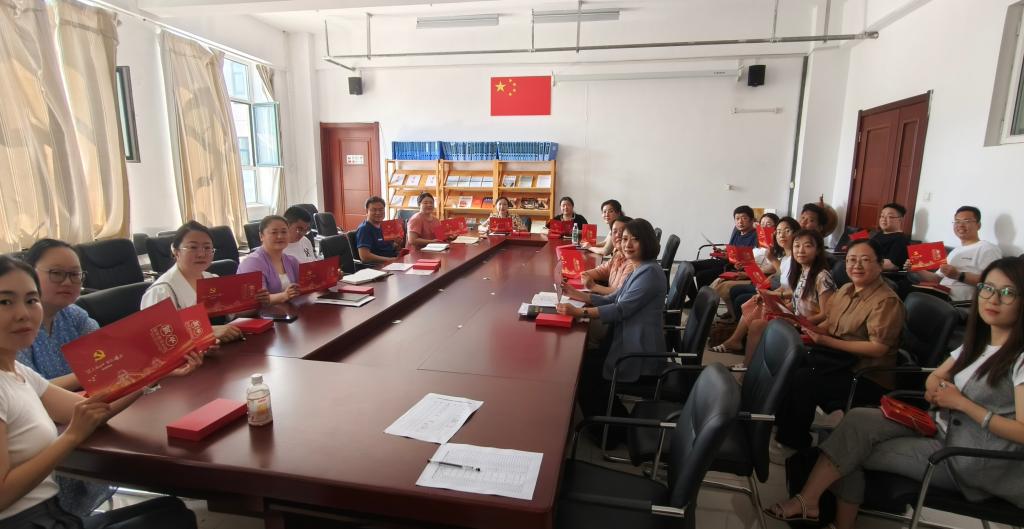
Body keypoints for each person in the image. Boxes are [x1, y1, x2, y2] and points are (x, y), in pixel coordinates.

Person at [766, 257, 1024, 527]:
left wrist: (961, 403)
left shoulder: (1019, 358)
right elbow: (936, 375)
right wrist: (936, 388)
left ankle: (819, 509)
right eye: (987, 288)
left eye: (1007, 292)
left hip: (968, 458)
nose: (993, 299)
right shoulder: (980, 343)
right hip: (938, 426)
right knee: (855, 421)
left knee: (851, 448)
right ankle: (812, 504)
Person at [0, 255, 200, 528]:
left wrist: (155, 373)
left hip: (52, 513)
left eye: (31, 300)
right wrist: (71, 436)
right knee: (173, 519)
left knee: (171, 508)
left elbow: (93, 410)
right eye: (5, 302)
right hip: (25, 522)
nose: (23, 313)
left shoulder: (18, 372)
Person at [774, 239, 905, 454]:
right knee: (790, 361)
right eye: (852, 260)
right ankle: (782, 424)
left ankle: (793, 441)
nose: (857, 266)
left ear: (880, 265)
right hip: (837, 359)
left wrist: (826, 341)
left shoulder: (886, 302)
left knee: (803, 380)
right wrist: (810, 330)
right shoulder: (845, 289)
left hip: (865, 374)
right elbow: (830, 322)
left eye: (865, 260)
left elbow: (878, 348)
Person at [557, 219, 667, 439]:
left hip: (638, 352)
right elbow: (615, 297)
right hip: (626, 340)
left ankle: (610, 433)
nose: (627, 244)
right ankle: (610, 421)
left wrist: (579, 312)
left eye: (635, 240)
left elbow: (620, 309)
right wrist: (579, 295)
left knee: (586, 371)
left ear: (648, 242)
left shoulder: (649, 273)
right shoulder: (640, 267)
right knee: (586, 363)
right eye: (625, 239)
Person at [712, 222, 816, 357]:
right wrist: (767, 292)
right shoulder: (786, 258)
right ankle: (737, 340)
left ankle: (739, 341)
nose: (782, 235)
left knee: (757, 304)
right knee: (754, 300)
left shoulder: (800, 261)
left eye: (787, 231)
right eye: (778, 232)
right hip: (781, 294)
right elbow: (783, 280)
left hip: (793, 304)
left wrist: (771, 293)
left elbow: (798, 292)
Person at [737, 229, 836, 367]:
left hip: (811, 328)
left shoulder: (822, 276)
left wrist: (798, 322)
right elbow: (797, 303)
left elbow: (826, 315)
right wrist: (773, 303)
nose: (800, 250)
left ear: (818, 250)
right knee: (759, 320)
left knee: (758, 326)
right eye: (797, 246)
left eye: (807, 246)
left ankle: (748, 367)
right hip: (799, 321)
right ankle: (750, 366)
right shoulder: (803, 271)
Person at [140, 222, 243, 344]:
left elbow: (232, 315)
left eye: (207, 248)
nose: (201, 254)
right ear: (175, 251)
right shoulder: (161, 291)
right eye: (193, 247)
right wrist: (208, 331)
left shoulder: (212, 279)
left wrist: (257, 300)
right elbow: (157, 340)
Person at [913, 206, 1003, 302]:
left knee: (914, 300)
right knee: (908, 291)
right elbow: (937, 279)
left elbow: (993, 283)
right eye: (957, 221)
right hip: (939, 295)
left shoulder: (987, 248)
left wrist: (959, 275)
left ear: (978, 225)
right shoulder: (955, 251)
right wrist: (917, 269)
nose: (960, 225)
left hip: (959, 303)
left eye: (967, 221)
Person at [712, 213, 780, 321]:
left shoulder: (777, 245)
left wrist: (747, 273)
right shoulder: (759, 242)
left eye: (768, 224)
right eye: (762, 224)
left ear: (776, 228)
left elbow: (773, 269)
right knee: (718, 281)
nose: (764, 227)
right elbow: (750, 260)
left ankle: (734, 319)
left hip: (761, 278)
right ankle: (732, 313)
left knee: (724, 286)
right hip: (749, 273)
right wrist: (741, 264)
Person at [687, 205, 759, 303]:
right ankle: (694, 299)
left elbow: (752, 258)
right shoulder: (737, 232)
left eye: (744, 218)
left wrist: (729, 257)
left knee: (702, 276)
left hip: (733, 267)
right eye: (737, 219)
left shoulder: (756, 236)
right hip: (724, 261)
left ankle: (701, 302)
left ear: (752, 220)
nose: (740, 222)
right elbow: (731, 248)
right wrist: (722, 251)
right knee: (688, 267)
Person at [238, 215, 301, 304]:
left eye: (284, 232)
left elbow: (303, 287)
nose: (280, 236)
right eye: (274, 232)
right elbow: (257, 300)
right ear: (261, 236)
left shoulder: (292, 260)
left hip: (288, 309)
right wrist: (284, 295)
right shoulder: (252, 262)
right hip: (262, 312)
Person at [580, 216, 635, 296]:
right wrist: (585, 275)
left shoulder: (632, 262)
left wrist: (593, 286)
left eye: (622, 231)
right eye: (614, 231)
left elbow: (618, 294)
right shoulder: (618, 254)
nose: (618, 235)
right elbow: (602, 271)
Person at [355, 196, 404, 264]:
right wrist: (391, 260)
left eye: (381, 210)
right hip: (379, 266)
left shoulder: (385, 226)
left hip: (393, 261)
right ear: (367, 211)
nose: (378, 213)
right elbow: (365, 257)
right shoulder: (364, 229)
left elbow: (388, 248)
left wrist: (397, 244)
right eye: (374, 210)